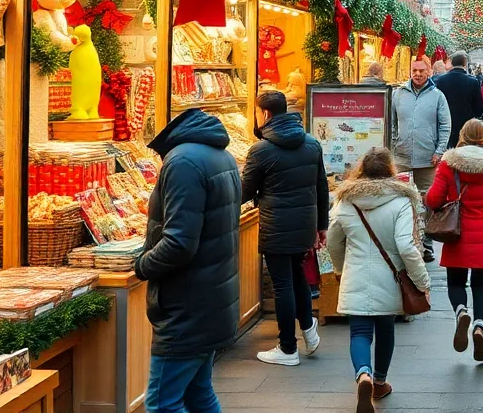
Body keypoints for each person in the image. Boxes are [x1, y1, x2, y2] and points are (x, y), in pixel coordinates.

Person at [136, 109, 240, 413]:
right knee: (198, 393)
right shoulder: (219, 155)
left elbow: (179, 243)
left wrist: (143, 264)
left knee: (163, 404)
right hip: (210, 296)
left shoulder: (183, 162)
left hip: (186, 304)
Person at [327, 148, 429, 413]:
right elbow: (407, 247)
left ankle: (363, 375)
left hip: (356, 273)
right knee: (386, 330)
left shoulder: (345, 201)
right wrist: (422, 280)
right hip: (390, 277)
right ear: (390, 170)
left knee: (359, 332)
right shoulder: (401, 200)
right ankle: (380, 382)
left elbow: (333, 242)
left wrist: (340, 270)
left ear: (361, 170)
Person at [241, 92, 328, 366]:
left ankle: (288, 348)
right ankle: (309, 332)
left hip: (277, 225)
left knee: (282, 285)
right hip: (304, 223)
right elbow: (322, 186)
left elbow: (244, 191)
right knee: (297, 275)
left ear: (265, 114)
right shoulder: (312, 143)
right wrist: (321, 225)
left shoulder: (261, 150)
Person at [425, 120, 483, 362]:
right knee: (481, 286)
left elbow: (433, 200)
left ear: (462, 136)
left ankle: (461, 311)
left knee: (456, 283)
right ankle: (479, 327)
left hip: (457, 235)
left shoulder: (448, 164)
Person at [391, 59, 450, 262]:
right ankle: (404, 241)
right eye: (414, 70)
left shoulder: (437, 96)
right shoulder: (398, 94)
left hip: (428, 159)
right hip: (402, 157)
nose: (417, 74)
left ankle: (426, 244)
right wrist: (393, 145)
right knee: (401, 201)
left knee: (427, 202)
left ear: (429, 72)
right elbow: (392, 122)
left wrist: (439, 150)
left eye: (421, 71)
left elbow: (445, 126)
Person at [433, 51, 483, 150]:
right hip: (466, 124)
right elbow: (478, 107)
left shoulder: (441, 80)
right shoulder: (473, 81)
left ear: (452, 63)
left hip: (445, 121)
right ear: (465, 64)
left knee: (448, 151)